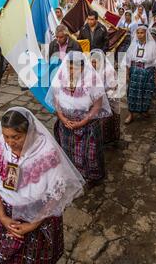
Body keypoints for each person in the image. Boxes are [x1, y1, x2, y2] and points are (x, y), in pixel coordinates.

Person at [0, 107, 84, 264]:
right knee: (7, 261)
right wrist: (3, 216)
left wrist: (34, 223)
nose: (10, 142)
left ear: (29, 131)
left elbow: (56, 193)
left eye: (16, 137)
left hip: (40, 214)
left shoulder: (46, 152)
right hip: (8, 215)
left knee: (38, 262)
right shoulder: (1, 146)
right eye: (6, 136)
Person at [46, 51, 112, 188]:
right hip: (66, 124)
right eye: (70, 66)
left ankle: (91, 177)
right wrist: (62, 118)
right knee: (68, 150)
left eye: (76, 67)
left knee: (88, 154)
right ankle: (72, 173)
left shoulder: (92, 80)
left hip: (87, 125)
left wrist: (83, 122)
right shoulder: (60, 77)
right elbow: (56, 100)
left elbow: (97, 106)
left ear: (83, 67)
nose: (72, 70)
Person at [124, 25, 156, 124]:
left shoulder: (152, 45)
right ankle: (131, 114)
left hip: (148, 73)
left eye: (142, 33)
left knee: (146, 93)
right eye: (138, 33)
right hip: (135, 72)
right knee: (132, 94)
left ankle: (144, 110)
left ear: (146, 33)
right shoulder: (133, 45)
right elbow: (127, 61)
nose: (140, 35)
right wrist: (127, 74)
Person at [90, 49, 120, 143]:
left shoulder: (108, 70)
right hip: (97, 98)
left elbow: (112, 86)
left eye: (95, 62)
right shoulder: (91, 69)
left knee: (107, 119)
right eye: (92, 62)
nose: (93, 64)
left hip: (109, 98)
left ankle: (109, 139)